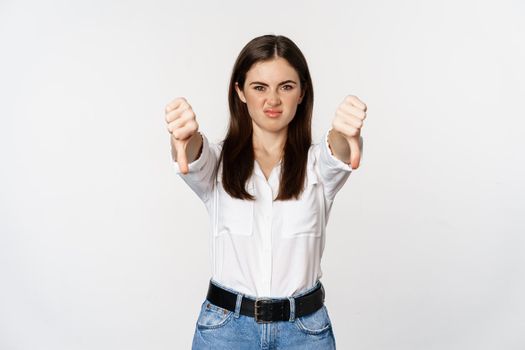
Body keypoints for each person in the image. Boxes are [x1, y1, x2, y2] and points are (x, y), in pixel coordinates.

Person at [164, 34, 367, 349]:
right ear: (240, 92)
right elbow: (192, 153)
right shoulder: (217, 163)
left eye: (286, 86)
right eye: (259, 87)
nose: (272, 100)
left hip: (304, 333)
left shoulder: (316, 167)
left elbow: (338, 151)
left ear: (302, 93)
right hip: (225, 332)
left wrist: (345, 132)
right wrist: (183, 136)